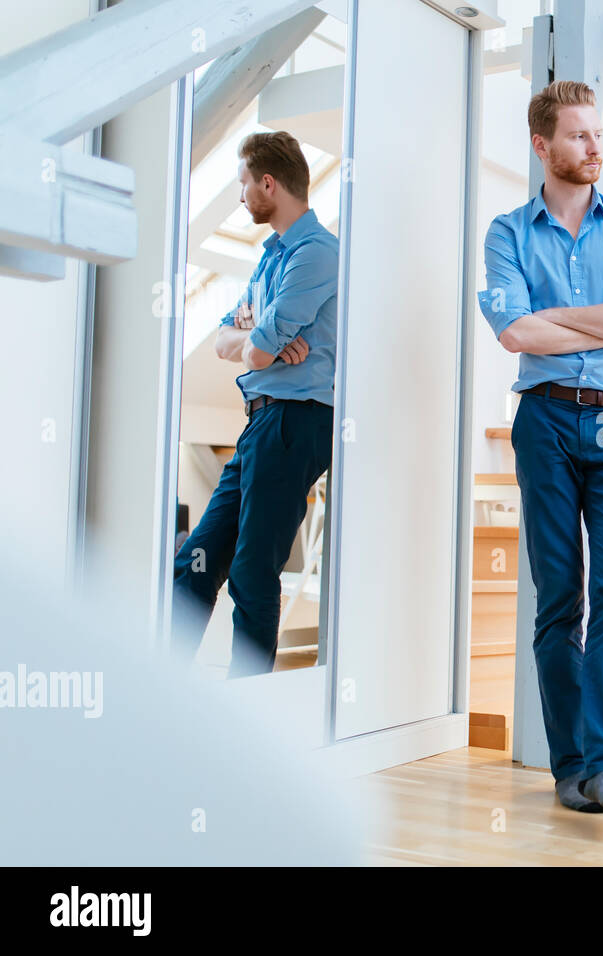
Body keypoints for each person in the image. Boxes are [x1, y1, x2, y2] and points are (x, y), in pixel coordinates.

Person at [478, 80, 603, 816]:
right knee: (560, 598)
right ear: (542, 146)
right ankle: (569, 769)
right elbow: (516, 334)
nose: (595, 148)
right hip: (546, 421)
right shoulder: (508, 234)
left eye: (598, 135)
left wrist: (560, 318)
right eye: (579, 136)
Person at [172, 131, 338, 678]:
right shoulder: (272, 258)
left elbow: (258, 347)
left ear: (269, 183)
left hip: (295, 422)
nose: (241, 197)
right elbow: (230, 339)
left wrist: (258, 345)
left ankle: (249, 711)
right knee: (194, 564)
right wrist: (257, 345)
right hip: (261, 421)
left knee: (252, 570)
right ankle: (153, 695)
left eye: (243, 183)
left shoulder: (315, 254)